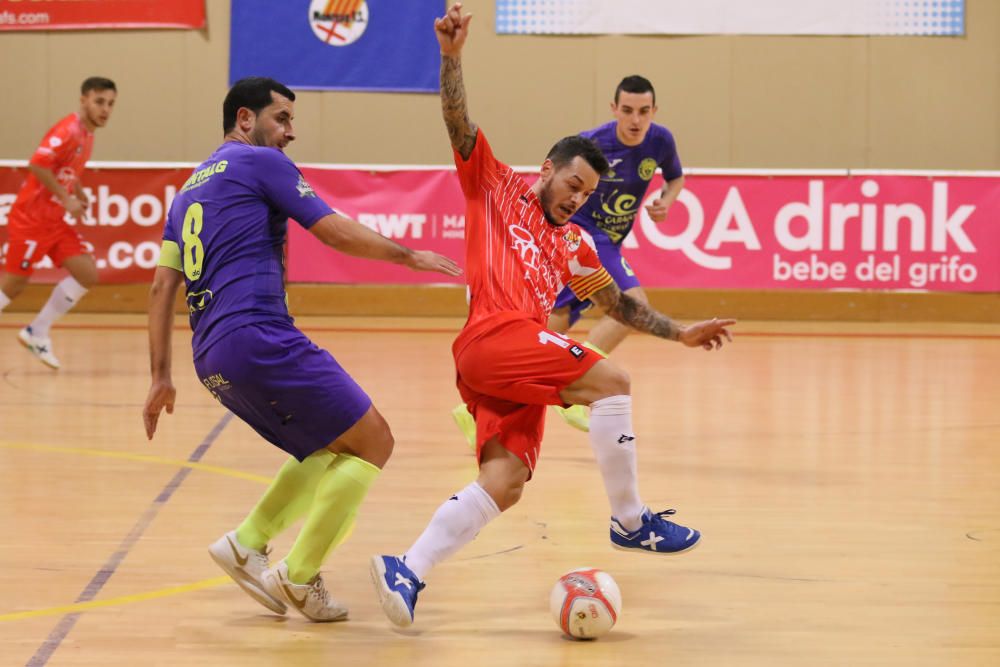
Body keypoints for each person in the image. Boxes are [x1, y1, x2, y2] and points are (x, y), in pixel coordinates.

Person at [370, 3, 735, 629]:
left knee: (506, 481)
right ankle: (630, 522)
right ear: (546, 169)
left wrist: (680, 333)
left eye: (588, 193)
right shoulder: (495, 185)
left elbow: (619, 308)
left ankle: (408, 569)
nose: (577, 198)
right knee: (613, 382)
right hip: (492, 335)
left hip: (507, 367)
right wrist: (451, 58)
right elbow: (458, 122)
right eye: (572, 184)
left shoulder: (575, 244)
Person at [142, 77, 461, 623]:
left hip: (210, 356)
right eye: (282, 118)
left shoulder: (187, 191)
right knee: (374, 441)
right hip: (258, 334)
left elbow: (160, 288)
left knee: (324, 448)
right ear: (245, 119)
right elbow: (332, 230)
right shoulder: (259, 164)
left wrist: (159, 377)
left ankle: (246, 543)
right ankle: (297, 575)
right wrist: (408, 257)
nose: (291, 132)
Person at [451, 74, 686, 440]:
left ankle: (476, 407)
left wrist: (666, 204)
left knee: (551, 322)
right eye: (627, 111)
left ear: (654, 111)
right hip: (584, 236)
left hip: (601, 244)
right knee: (631, 305)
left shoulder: (661, 140)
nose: (635, 120)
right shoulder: (592, 145)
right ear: (614, 110)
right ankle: (580, 379)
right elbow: (556, 182)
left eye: (643, 112)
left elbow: (675, 179)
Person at [0, 77, 117, 369]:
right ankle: (35, 332)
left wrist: (77, 192)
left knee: (87, 273)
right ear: (83, 100)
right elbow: (38, 164)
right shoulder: (69, 130)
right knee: (14, 285)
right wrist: (67, 199)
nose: (105, 109)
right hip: (31, 219)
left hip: (53, 222)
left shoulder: (88, 135)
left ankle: (36, 332)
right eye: (99, 101)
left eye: (111, 103)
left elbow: (66, 169)